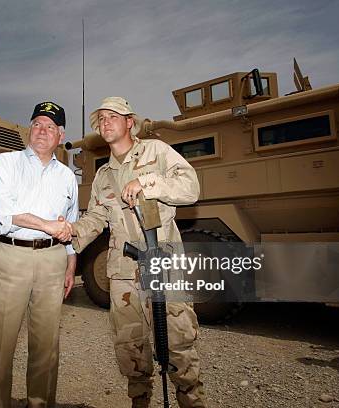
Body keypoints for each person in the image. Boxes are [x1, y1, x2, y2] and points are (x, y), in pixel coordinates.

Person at [67, 97, 206, 407]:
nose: (105, 123)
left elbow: (191, 186)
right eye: (100, 119)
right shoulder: (104, 175)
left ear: (129, 122)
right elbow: (96, 218)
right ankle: (139, 401)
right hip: (123, 271)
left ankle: (192, 402)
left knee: (179, 340)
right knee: (130, 345)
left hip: (164, 262)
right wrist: (70, 233)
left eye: (112, 116)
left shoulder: (155, 151)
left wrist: (147, 182)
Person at [0, 101, 77, 408]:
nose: (42, 131)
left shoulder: (67, 177)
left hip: (53, 261)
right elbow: (2, 211)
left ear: (60, 136)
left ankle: (40, 403)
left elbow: (70, 223)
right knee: (1, 342)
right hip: (13, 256)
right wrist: (47, 225)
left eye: (50, 127)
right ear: (29, 129)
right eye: (37, 124)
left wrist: (70, 262)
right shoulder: (5, 163)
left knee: (46, 344)